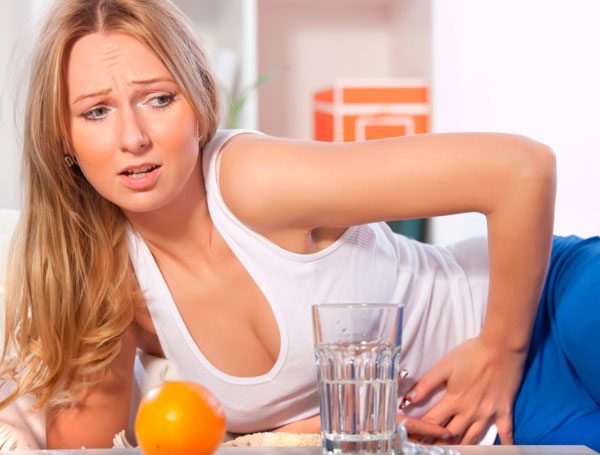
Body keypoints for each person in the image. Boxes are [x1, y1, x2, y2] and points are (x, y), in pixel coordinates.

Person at [1, 0, 599, 450]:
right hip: (495, 420)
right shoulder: (103, 285)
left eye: (158, 99)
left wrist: (500, 349)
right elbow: (86, 450)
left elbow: (521, 170)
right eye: (96, 111)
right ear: (63, 139)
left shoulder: (249, 182)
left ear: (198, 104)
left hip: (548, 305)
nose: (133, 137)